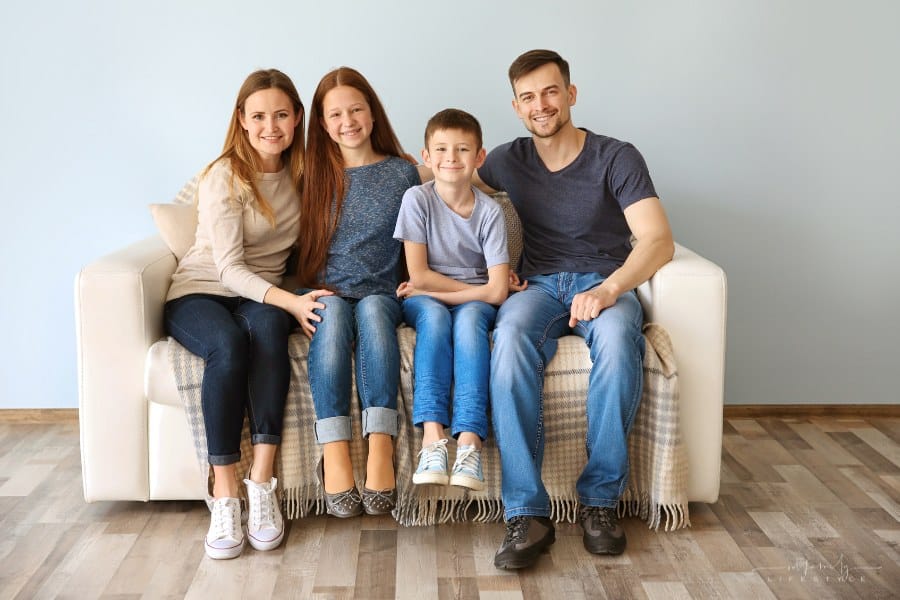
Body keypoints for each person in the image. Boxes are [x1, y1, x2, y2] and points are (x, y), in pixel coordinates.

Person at [474, 50, 675, 569]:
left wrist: (610, 291)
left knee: (616, 339)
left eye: (549, 91)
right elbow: (447, 172)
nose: (540, 105)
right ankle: (527, 513)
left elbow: (657, 241)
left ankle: (600, 503)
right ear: (516, 107)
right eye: (528, 97)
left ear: (571, 94)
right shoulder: (503, 159)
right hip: (537, 288)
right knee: (510, 338)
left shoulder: (616, 156)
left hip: (604, 282)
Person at [165, 69, 325, 559]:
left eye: (280, 114)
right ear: (242, 119)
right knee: (229, 346)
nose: (270, 126)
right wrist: (292, 301)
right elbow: (230, 270)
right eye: (258, 116)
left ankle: (262, 485)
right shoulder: (225, 175)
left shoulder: (303, 177)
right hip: (201, 291)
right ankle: (225, 492)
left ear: (297, 117)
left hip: (263, 296)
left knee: (268, 335)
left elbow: (298, 259)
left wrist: (300, 297)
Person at [294, 67, 421, 518]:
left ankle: (382, 446)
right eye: (336, 115)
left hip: (382, 292)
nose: (348, 121)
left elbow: (450, 184)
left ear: (372, 113)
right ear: (323, 124)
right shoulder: (310, 174)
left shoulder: (402, 172)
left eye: (356, 109)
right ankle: (335, 452)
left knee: (371, 316)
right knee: (329, 324)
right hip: (325, 289)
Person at [394, 109, 516, 492]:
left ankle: (469, 443)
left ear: (479, 157)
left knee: (467, 324)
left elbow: (497, 294)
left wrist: (437, 289)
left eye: (463, 149)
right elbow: (419, 275)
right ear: (426, 157)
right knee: (435, 319)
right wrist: (437, 291)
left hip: (469, 302)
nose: (451, 158)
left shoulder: (491, 212)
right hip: (426, 300)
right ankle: (433, 439)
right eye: (442, 149)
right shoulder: (417, 199)